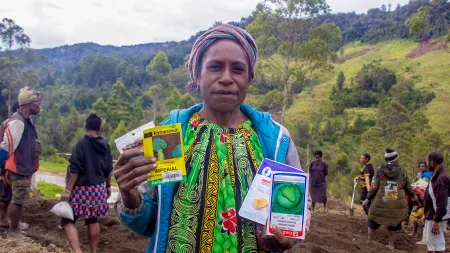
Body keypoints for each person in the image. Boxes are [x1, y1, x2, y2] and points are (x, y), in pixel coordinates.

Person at [114, 24, 309, 253]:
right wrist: (129, 196)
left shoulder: (275, 141)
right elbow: (148, 222)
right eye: (215, 67)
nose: (226, 78)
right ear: (197, 75)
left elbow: (292, 216)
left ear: (250, 79)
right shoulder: (170, 136)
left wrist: (283, 238)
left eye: (237, 69)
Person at [61, 114, 113, 253]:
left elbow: (74, 170)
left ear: (86, 125)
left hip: (81, 189)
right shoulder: (105, 145)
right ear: (99, 127)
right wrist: (108, 186)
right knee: (92, 220)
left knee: (67, 220)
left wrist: (68, 190)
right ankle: (92, 251)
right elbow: (109, 168)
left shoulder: (81, 144)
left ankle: (77, 251)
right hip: (98, 189)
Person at [0, 87, 42, 242]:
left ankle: (13, 225)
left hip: (21, 166)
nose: (39, 105)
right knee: (17, 201)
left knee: (15, 199)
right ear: (28, 103)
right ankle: (13, 231)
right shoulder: (18, 122)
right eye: (36, 103)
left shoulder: (25, 120)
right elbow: (6, 146)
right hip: (19, 168)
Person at [363, 148, 417, 251]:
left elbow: (375, 187)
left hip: (382, 201)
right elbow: (408, 187)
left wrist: (368, 198)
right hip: (396, 202)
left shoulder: (379, 170)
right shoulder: (402, 171)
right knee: (395, 222)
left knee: (373, 219)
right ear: (396, 160)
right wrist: (414, 196)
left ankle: (370, 241)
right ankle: (391, 245)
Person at [421, 151, 449, 253]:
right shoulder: (436, 175)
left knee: (437, 245)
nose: (426, 163)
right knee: (432, 244)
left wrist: (436, 221)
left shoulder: (441, 179)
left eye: (427, 161)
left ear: (432, 162)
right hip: (433, 214)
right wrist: (426, 214)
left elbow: (441, 202)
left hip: (436, 217)